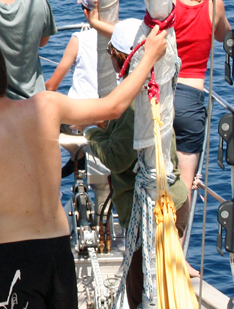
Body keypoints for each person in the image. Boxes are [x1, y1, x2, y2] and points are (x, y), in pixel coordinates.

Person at [0, 27, 168, 308]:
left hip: (14, 255)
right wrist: (150, 55)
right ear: (2, 72)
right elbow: (113, 107)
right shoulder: (47, 105)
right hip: (57, 247)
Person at [82, 19, 191, 308]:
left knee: (142, 294)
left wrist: (91, 134)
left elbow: (117, 158)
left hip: (152, 212)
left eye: (110, 52)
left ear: (121, 56)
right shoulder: (150, 86)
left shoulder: (134, 102)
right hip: (171, 202)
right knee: (164, 290)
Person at [172, 0, 231, 196]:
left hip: (161, 93)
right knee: (184, 186)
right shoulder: (214, 5)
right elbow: (222, 35)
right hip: (190, 99)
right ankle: (176, 233)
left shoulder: (171, 1)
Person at [45, 0, 99, 98]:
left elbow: (51, 87)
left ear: (86, 12)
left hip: (81, 110)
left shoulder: (79, 40)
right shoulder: (127, 33)